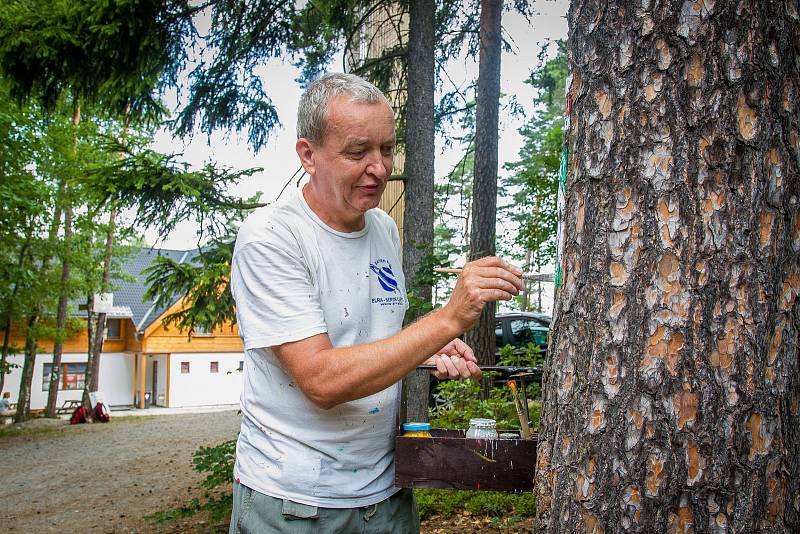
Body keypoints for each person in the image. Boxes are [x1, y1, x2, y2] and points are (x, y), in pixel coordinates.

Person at [228, 72, 523, 533]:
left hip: (387, 494)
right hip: (295, 502)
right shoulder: (271, 237)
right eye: (357, 151)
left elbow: (376, 339)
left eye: (386, 149)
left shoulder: (382, 227)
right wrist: (446, 321)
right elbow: (321, 379)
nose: (380, 167)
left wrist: (427, 346)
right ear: (308, 154)